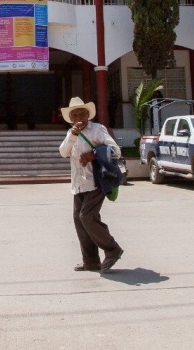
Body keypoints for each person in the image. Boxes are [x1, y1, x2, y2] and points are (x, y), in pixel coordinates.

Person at [58, 97, 124, 273]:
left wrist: (93, 154)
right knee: (79, 221)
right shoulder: (71, 132)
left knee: (86, 217)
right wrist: (73, 135)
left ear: (88, 114)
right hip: (78, 184)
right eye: (75, 114)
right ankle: (90, 261)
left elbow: (115, 150)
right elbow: (63, 152)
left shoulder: (97, 130)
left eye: (82, 113)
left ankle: (112, 249)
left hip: (96, 182)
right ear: (71, 118)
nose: (79, 117)